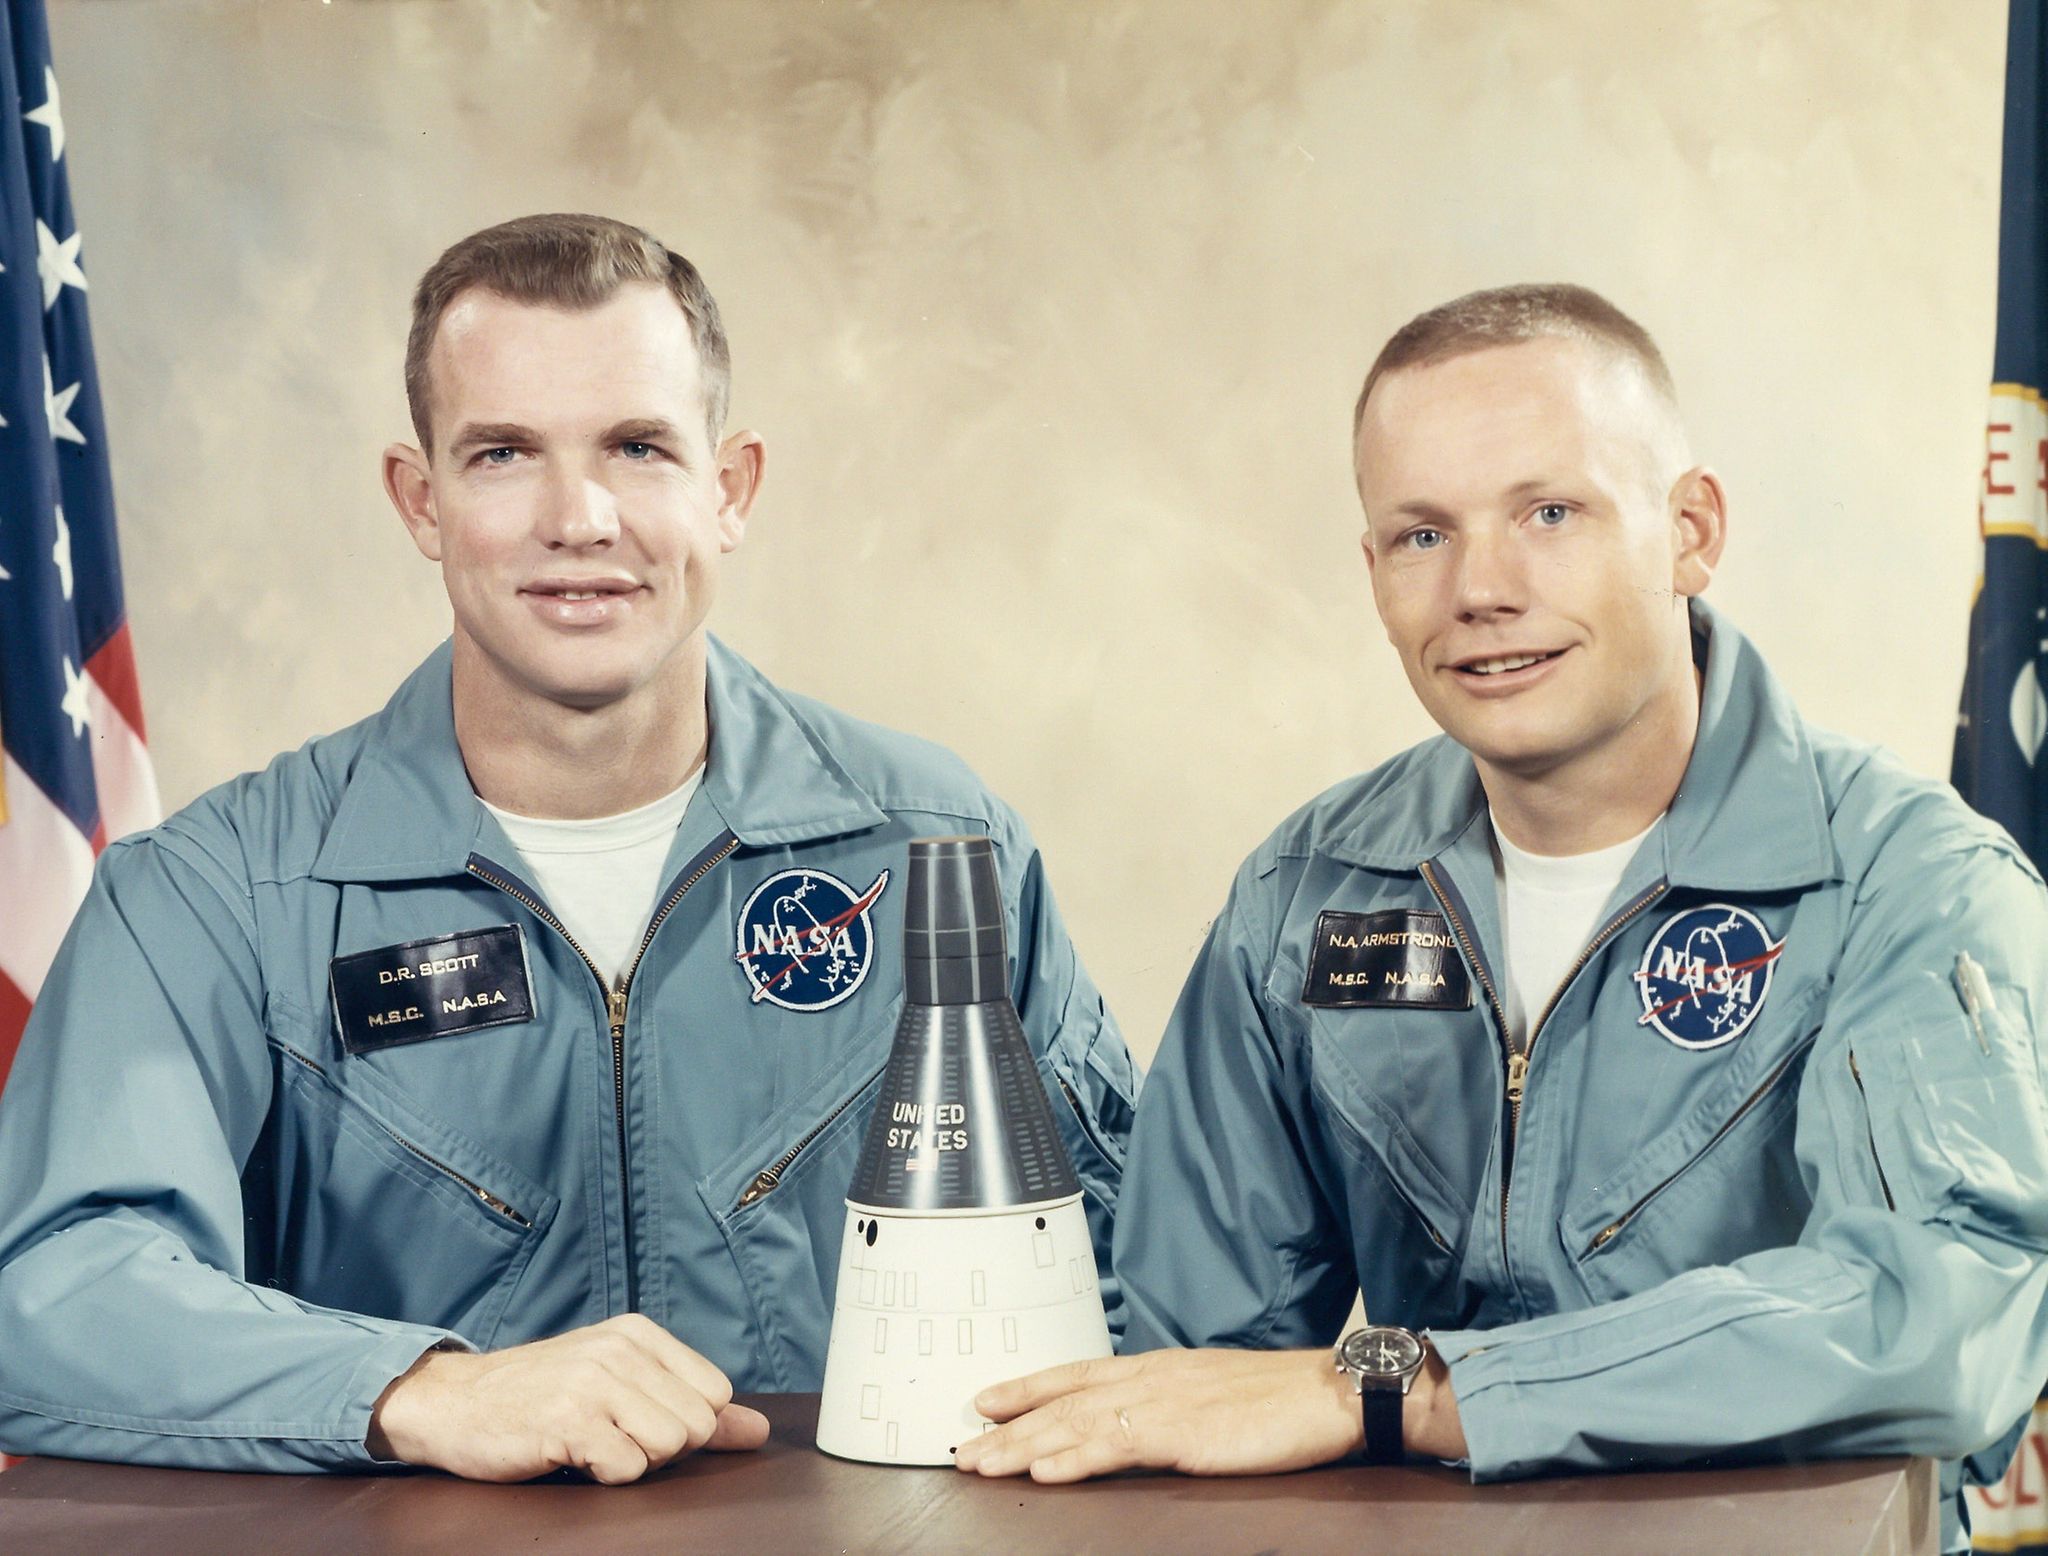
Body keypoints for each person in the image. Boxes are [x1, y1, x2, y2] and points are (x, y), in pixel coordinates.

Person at [0, 213, 1137, 1483]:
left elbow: (1136, 1279)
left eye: (638, 447)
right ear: (420, 500)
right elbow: (50, 1291)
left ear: (731, 488)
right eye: (501, 454)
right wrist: (418, 1392)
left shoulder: (936, 844)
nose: (577, 516)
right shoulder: (219, 898)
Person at [955, 284, 2048, 1548]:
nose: (1478, 587)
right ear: (1370, 573)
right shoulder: (1307, 895)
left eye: (1548, 512)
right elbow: (1191, 1374)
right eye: (1419, 535)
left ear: (1688, 531)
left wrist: (1408, 1389)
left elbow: (1936, 1320)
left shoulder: (1905, 884)